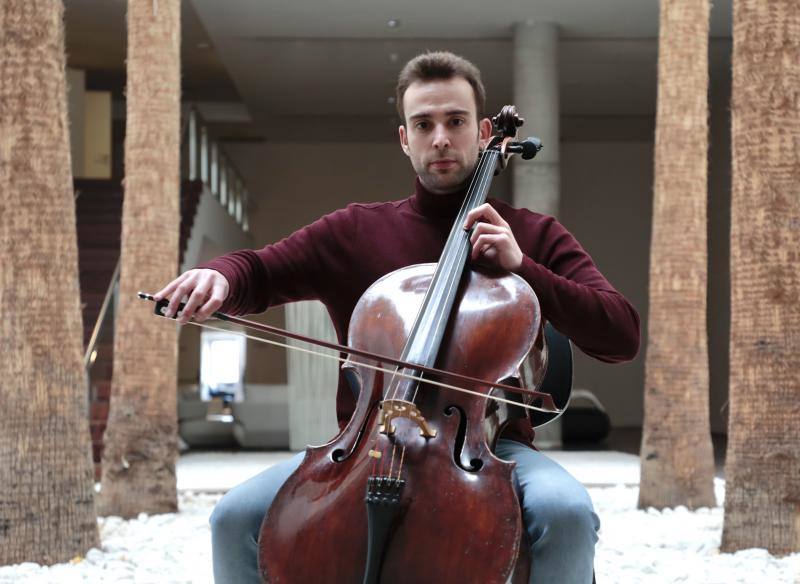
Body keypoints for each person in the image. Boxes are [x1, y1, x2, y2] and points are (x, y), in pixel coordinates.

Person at [155, 51, 640, 584]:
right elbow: (259, 269)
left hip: (487, 450)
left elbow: (620, 333)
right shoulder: (355, 231)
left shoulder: (531, 233)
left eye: (455, 122)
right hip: (365, 446)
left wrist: (525, 270)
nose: (440, 139)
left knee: (565, 512)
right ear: (404, 138)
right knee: (233, 518)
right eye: (423, 124)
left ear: (482, 132)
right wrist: (220, 277)